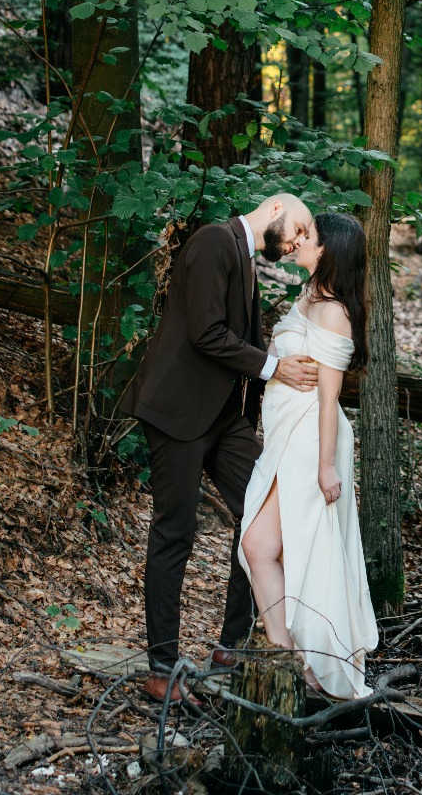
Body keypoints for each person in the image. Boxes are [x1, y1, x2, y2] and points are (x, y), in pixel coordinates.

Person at [124, 193, 318, 702]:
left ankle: (231, 647)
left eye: (304, 238)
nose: (297, 242)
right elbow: (206, 333)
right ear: (275, 209)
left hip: (225, 419)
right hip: (179, 411)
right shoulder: (214, 240)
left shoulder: (246, 258)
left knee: (263, 515)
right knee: (175, 533)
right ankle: (162, 670)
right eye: (298, 229)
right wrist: (275, 368)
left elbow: (237, 340)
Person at [239, 211, 377, 698]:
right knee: (261, 547)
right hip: (286, 435)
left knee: (281, 547)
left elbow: (328, 397)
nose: (298, 241)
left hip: (309, 438)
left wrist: (324, 466)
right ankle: (290, 660)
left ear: (328, 250)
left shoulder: (334, 310)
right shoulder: (309, 295)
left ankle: (305, 663)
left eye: (309, 236)